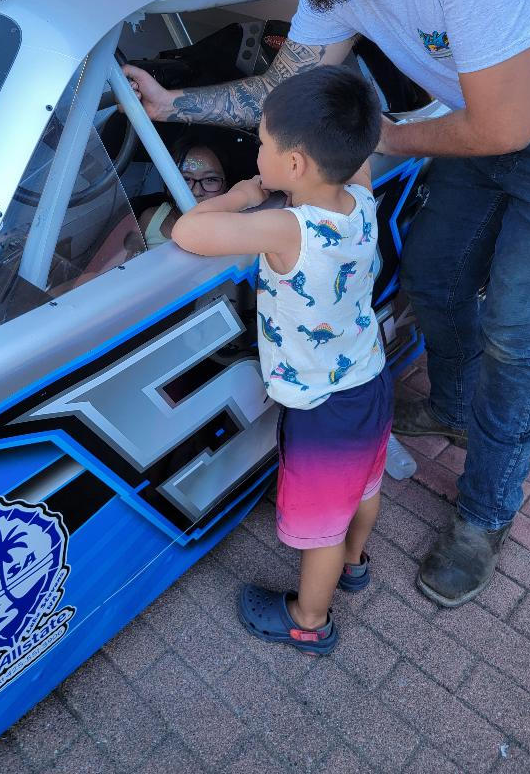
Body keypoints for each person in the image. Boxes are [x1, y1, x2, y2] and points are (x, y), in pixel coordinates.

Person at [124, 0, 530, 609]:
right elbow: (282, 89)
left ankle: (486, 513)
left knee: (518, 334)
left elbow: (504, 127)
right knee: (433, 273)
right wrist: (172, 101)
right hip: (476, 118)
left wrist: (388, 139)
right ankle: (457, 409)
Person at [172, 66, 388, 655]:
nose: (256, 152)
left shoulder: (286, 227)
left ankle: (309, 620)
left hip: (322, 406)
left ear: (293, 164)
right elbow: (358, 157)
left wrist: (241, 196)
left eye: (262, 144)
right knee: (364, 483)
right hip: (369, 379)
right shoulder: (361, 198)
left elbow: (188, 231)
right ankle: (355, 564)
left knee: (321, 522)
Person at [139, 141, 228, 248]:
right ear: (168, 185)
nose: (197, 192)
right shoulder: (151, 220)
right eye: (186, 179)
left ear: (226, 187)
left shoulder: (238, 225)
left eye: (210, 179)